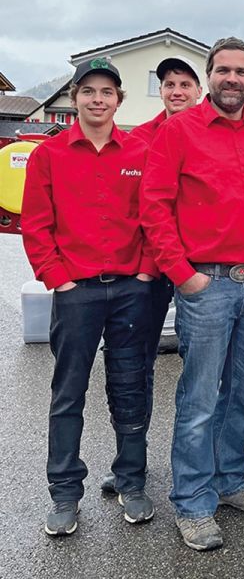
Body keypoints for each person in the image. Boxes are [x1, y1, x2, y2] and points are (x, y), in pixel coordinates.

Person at [140, 37, 244, 551]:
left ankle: (229, 481)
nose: (233, 79)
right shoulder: (179, 132)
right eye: (223, 70)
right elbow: (155, 207)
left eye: (241, 72)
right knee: (200, 396)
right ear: (210, 76)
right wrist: (184, 275)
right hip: (206, 285)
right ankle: (192, 500)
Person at [22, 58, 157, 536]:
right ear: (74, 97)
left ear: (119, 99)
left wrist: (144, 271)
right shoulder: (49, 156)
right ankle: (64, 493)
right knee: (68, 393)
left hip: (129, 291)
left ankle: (132, 481)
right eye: (88, 91)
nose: (97, 100)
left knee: (130, 387)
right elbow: (36, 225)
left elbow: (152, 216)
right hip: (75, 292)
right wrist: (57, 279)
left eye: (107, 92)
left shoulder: (140, 152)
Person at [100, 55, 202, 496]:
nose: (177, 91)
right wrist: (143, 268)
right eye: (169, 84)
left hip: (202, 269)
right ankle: (131, 463)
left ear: (200, 91)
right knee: (134, 366)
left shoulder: (211, 135)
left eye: (185, 83)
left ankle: (202, 463)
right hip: (151, 271)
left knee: (201, 369)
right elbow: (132, 211)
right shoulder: (140, 140)